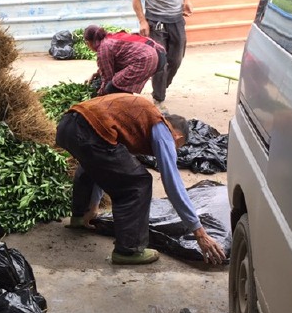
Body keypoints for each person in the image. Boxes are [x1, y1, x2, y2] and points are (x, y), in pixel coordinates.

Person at [55, 93, 226, 266]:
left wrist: (93, 206)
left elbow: (101, 166)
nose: (173, 151)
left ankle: (80, 216)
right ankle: (129, 251)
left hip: (68, 125)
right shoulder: (162, 128)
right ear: (177, 137)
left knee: (95, 160)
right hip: (87, 132)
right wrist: (199, 233)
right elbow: (173, 184)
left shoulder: (138, 123)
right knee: (138, 183)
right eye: (176, 148)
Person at [83, 24, 166, 96]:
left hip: (147, 59)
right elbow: (108, 66)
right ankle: (127, 101)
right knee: (119, 81)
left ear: (88, 43)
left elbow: (107, 79)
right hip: (159, 54)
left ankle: (128, 107)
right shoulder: (110, 37)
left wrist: (98, 97)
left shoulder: (103, 48)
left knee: (111, 87)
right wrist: (96, 74)